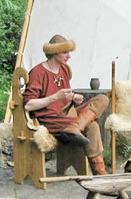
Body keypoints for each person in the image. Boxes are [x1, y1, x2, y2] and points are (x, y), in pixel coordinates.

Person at [22, 35, 109, 175]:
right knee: (92, 126)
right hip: (50, 118)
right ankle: (100, 173)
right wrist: (55, 97)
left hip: (68, 114)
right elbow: (28, 105)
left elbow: (64, 96)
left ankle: (74, 127)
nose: (68, 56)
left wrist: (74, 97)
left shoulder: (65, 70)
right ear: (54, 52)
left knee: (103, 99)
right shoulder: (38, 72)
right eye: (65, 52)